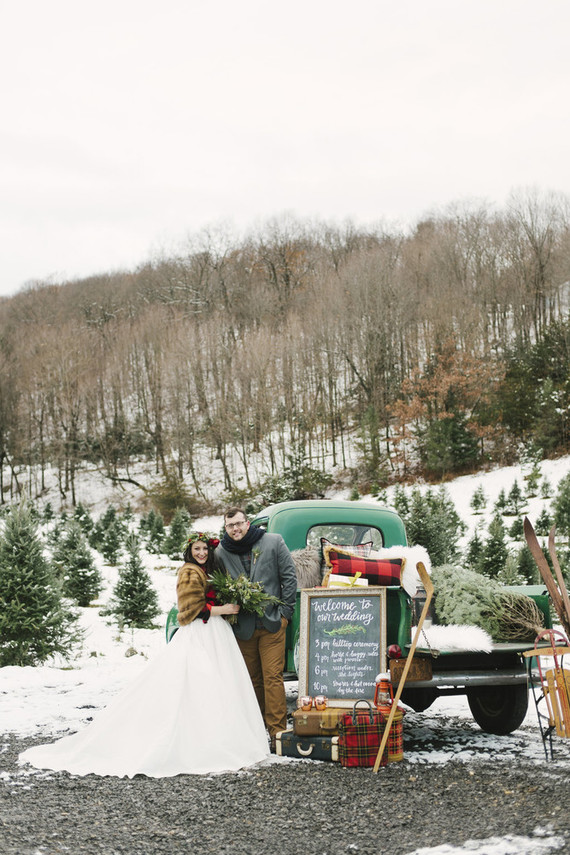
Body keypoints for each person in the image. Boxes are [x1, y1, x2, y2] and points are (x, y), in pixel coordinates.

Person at [19, 532, 269, 778]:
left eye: (205, 549)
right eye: (197, 550)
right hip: (200, 633)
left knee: (219, 684)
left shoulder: (207, 570)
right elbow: (190, 609)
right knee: (197, 682)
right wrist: (223, 609)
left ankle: (220, 736)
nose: (202, 553)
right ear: (189, 552)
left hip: (217, 633)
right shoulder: (188, 572)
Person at [215, 507, 297, 751]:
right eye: (231, 526)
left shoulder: (272, 541)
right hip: (243, 627)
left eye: (239, 524)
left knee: (273, 677)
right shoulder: (220, 552)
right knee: (252, 679)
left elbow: (289, 577)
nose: (236, 529)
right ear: (226, 528)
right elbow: (217, 586)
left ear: (248, 523)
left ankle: (277, 732)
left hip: (273, 623)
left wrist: (286, 614)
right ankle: (257, 730)